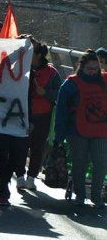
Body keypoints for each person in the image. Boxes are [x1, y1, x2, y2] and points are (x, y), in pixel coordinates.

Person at [55, 50, 107, 208]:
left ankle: (96, 197)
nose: (92, 72)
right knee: (80, 163)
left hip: (101, 130)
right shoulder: (71, 83)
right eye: (89, 69)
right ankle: (80, 194)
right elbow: (61, 110)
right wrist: (59, 135)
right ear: (81, 67)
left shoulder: (104, 80)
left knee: (101, 164)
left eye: (95, 68)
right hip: (77, 131)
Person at [18, 41, 62, 191]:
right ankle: (19, 175)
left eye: (32, 53)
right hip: (23, 113)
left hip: (43, 115)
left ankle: (31, 177)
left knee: (37, 147)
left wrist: (46, 93)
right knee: (21, 146)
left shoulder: (52, 73)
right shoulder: (24, 68)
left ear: (39, 55)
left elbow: (59, 94)